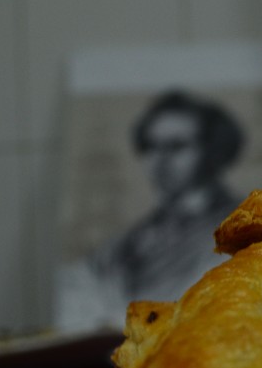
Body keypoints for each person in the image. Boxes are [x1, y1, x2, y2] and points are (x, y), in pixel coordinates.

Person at [56, 90, 245, 331]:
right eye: (150, 147)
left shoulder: (238, 229)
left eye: (177, 146)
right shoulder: (133, 238)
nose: (160, 160)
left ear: (212, 151)